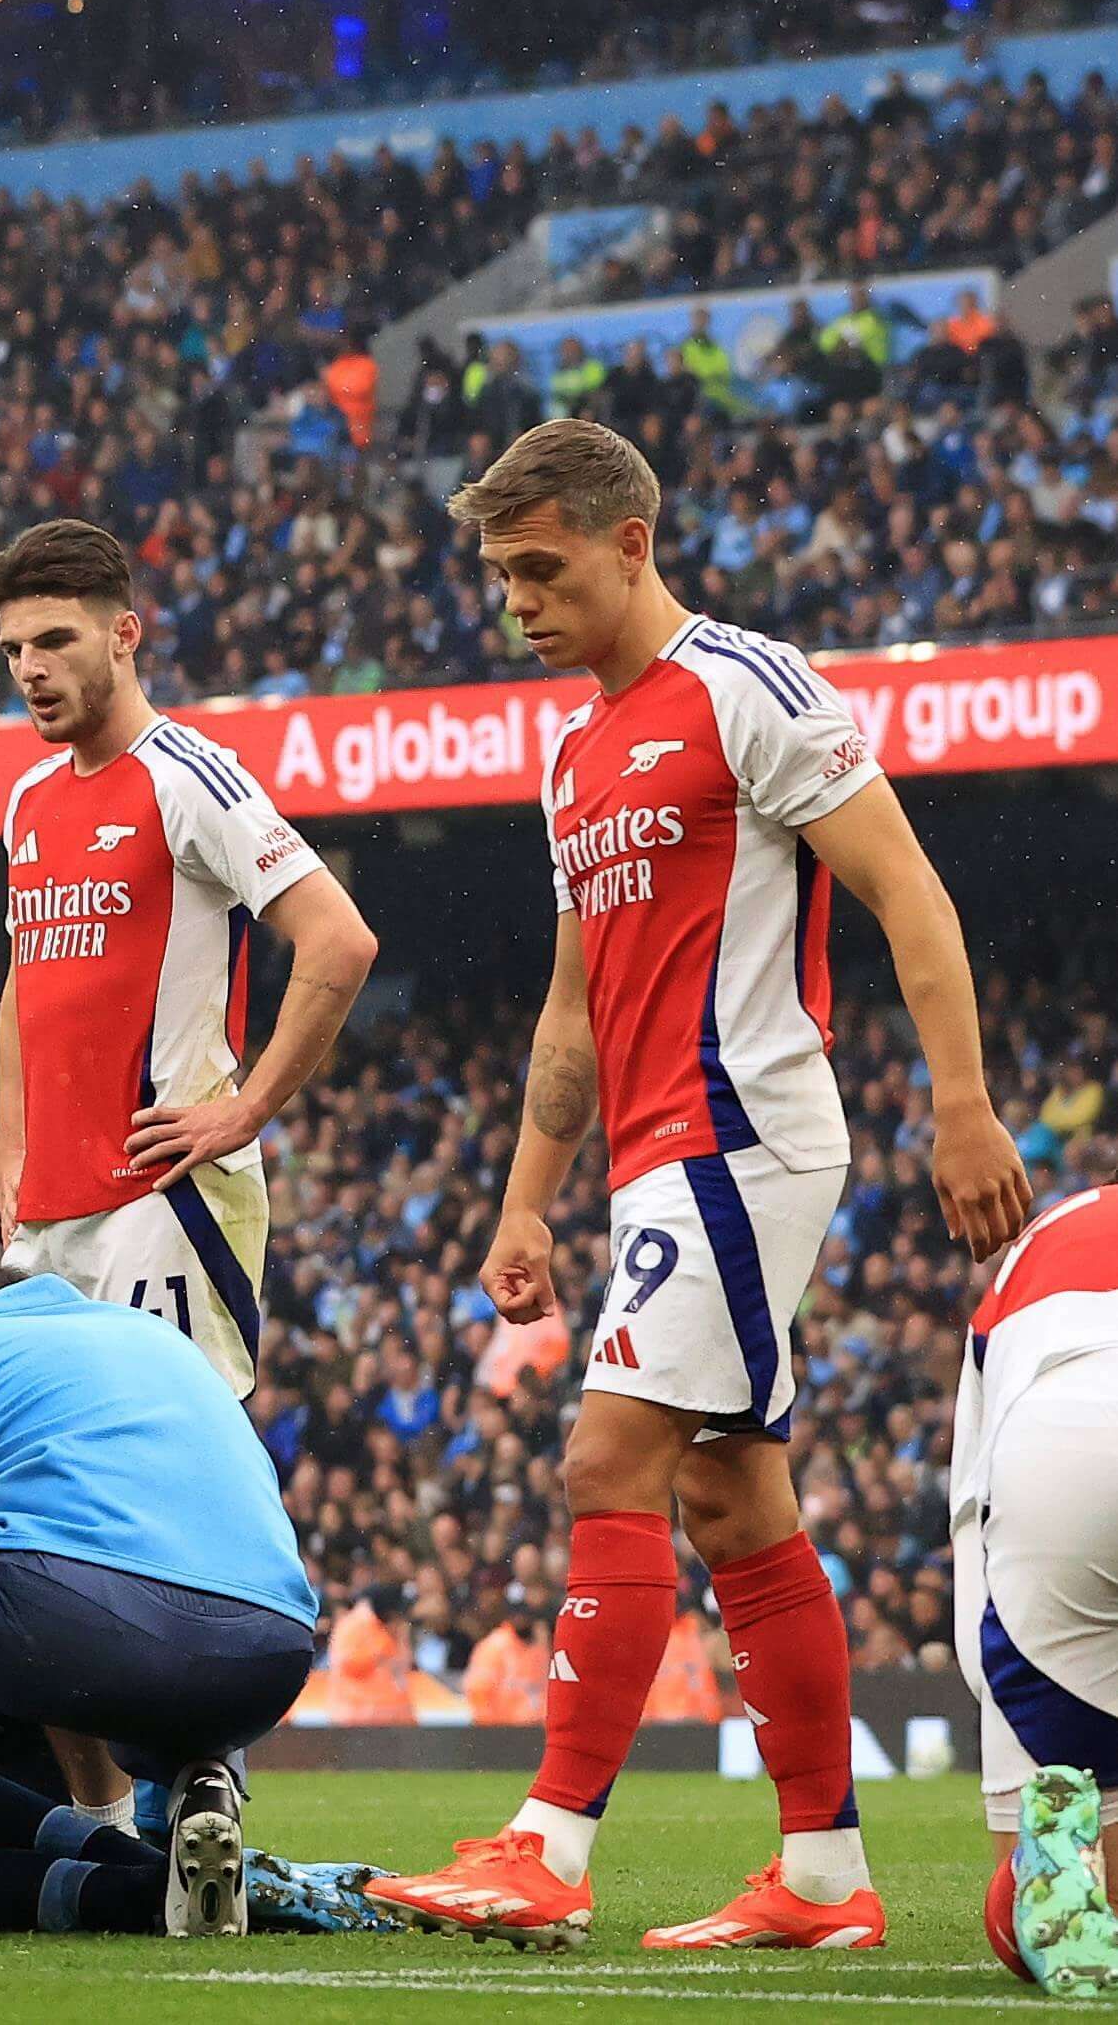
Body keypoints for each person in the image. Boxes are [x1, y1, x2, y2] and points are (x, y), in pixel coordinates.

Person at [369, 419, 1031, 1951]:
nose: (517, 601)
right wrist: (523, 1198)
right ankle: (822, 1876)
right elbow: (568, 1010)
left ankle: (547, 1844)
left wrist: (962, 1103)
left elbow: (904, 885)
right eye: (500, 575)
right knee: (732, 1501)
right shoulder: (570, 755)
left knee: (603, 1461)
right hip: (655, 1158)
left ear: (630, 541)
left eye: (541, 568)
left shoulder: (745, 686)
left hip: (741, 1135)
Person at [0, 519, 377, 1394]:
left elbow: (341, 938)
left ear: (125, 634)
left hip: (163, 1197)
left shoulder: (189, 775)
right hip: (46, 1210)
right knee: (56, 1460)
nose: (30, 669)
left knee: (169, 1452)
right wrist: (11, 1141)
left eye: (55, 641)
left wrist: (249, 1110)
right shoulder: (28, 797)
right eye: (13, 650)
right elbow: (23, 979)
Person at [0, 1261, 320, 1938]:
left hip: (88, 1625)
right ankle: (199, 1783)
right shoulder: (158, 1343)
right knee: (157, 1609)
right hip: (276, 1655)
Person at [954, 1187, 1118, 1997]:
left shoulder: (1050, 1230)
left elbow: (972, 1508)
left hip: (1060, 1449)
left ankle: (1052, 1887)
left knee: (1038, 1922)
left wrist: (1009, 1697)